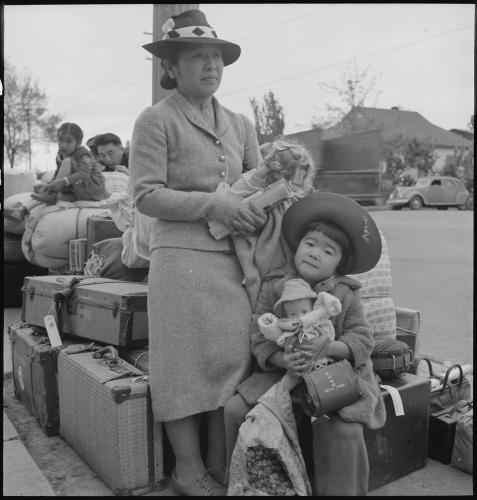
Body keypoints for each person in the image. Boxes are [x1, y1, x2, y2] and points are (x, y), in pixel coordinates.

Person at [129, 9, 267, 497]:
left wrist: (267, 199)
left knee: (227, 366)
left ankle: (216, 465)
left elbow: (259, 182)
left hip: (235, 264)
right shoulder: (155, 119)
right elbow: (145, 195)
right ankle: (187, 473)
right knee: (183, 369)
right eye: (198, 56)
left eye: (217, 57)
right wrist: (216, 202)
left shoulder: (240, 123)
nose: (211, 65)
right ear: (172, 67)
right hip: (181, 260)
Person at [224, 192, 387, 496]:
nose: (315, 253)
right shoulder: (275, 287)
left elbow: (362, 338)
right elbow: (259, 333)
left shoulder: (345, 294)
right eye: (310, 244)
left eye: (328, 251)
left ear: (340, 264)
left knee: (341, 427)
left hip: (333, 375)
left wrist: (330, 347)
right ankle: (246, 485)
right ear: (297, 246)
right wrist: (280, 359)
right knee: (236, 409)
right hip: (282, 376)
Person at [5, 122, 107, 223]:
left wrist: (64, 181)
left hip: (92, 190)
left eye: (68, 141)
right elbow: (58, 175)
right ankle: (22, 211)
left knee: (67, 162)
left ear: (78, 143)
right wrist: (48, 185)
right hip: (77, 191)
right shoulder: (60, 155)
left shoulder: (83, 154)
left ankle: (49, 193)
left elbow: (84, 174)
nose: (63, 145)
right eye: (60, 140)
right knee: (56, 197)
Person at [257, 278, 342, 387]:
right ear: (286, 316)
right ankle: (275, 399)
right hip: (299, 368)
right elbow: (277, 336)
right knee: (286, 384)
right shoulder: (290, 332)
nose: (300, 317)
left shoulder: (320, 325)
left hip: (323, 362)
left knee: (331, 381)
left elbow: (329, 337)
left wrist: (327, 345)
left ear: (312, 308)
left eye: (304, 311)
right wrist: (269, 324)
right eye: (293, 314)